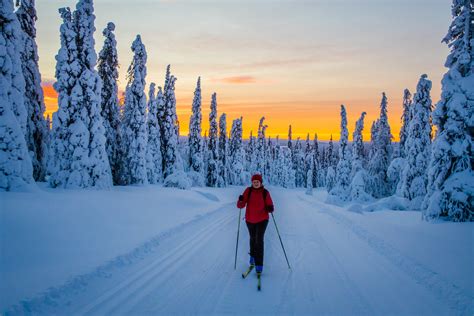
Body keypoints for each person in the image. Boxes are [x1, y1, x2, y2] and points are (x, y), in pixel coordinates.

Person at [236, 174, 274, 275]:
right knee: (252, 239)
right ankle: (252, 258)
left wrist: (270, 207)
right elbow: (241, 204)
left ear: (261, 182)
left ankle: (259, 264)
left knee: (259, 240)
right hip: (250, 220)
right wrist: (240, 200)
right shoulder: (248, 191)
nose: (256, 183)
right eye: (254, 182)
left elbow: (270, 204)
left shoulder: (265, 192)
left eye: (257, 182)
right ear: (252, 182)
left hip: (262, 220)